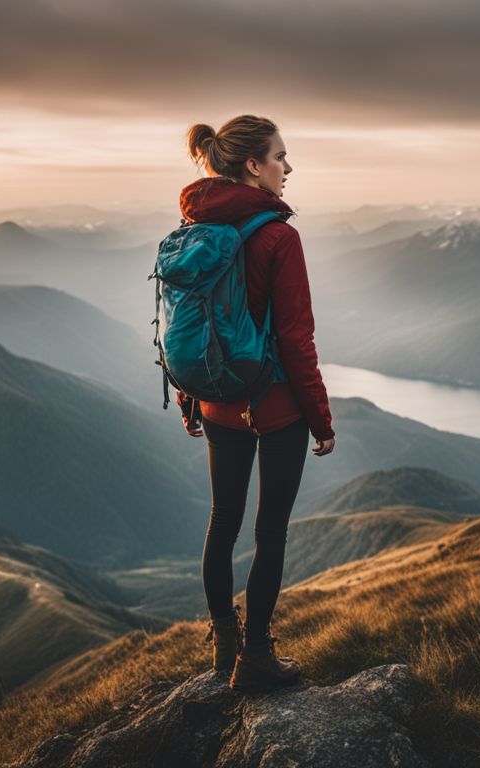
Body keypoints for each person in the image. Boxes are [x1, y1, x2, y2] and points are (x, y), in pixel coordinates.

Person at [178, 115, 336, 693]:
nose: (288, 168)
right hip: (274, 410)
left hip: (218, 404)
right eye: (280, 156)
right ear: (253, 165)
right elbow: (296, 339)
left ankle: (224, 640)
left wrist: (192, 396)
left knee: (222, 520)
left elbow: (190, 324)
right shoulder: (279, 237)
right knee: (271, 532)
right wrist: (321, 419)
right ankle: (256, 658)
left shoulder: (195, 226)